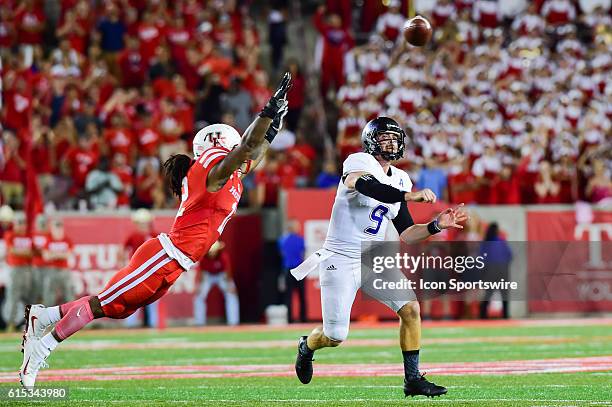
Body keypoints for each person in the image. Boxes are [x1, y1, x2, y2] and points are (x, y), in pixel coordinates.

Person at [18, 73, 293, 388]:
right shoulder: (213, 172)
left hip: (175, 263)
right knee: (101, 304)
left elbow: (252, 153)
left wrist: (272, 127)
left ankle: (44, 315)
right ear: (222, 145)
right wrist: (267, 112)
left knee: (118, 309)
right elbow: (247, 148)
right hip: (164, 255)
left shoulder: (226, 174)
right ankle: (42, 348)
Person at [292, 117, 467, 398]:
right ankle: (307, 346)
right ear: (371, 141)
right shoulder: (358, 162)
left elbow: (408, 233)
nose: (391, 142)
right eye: (385, 137)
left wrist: (436, 225)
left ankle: (412, 379)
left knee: (410, 310)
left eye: (395, 138)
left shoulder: (400, 178)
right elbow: (366, 186)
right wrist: (409, 196)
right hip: (342, 256)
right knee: (335, 336)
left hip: (374, 259)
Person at [123, 209, 159, 328]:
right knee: (134, 298)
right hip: (137, 272)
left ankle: (153, 323)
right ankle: (130, 323)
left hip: (152, 271)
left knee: (152, 298)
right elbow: (122, 250)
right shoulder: (133, 236)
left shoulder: (155, 235)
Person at [192, 241, 239, 326]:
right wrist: (198, 285)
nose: (212, 253)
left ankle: (233, 322)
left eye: (214, 251)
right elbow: (201, 272)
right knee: (199, 296)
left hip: (221, 275)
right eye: (210, 251)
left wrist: (230, 285)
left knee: (231, 294)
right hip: (208, 275)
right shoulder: (203, 257)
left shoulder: (223, 256)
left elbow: (227, 271)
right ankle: (199, 322)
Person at [3, 214, 33, 332]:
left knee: (28, 296)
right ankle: (10, 323)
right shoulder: (10, 235)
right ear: (15, 224)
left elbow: (32, 252)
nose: (21, 226)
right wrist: (25, 252)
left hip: (27, 269)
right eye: (19, 223)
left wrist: (22, 252)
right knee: (13, 296)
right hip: (15, 269)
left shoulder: (28, 236)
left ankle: (30, 324)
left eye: (23, 223)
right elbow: (12, 251)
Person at [479, 223, 512, 319]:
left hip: (490, 271)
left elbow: (481, 258)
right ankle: (505, 315)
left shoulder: (486, 242)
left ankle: (483, 315)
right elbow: (509, 255)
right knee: (504, 294)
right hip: (502, 270)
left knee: (488, 293)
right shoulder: (501, 241)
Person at [278, 220, 306, 323]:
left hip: (288, 270)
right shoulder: (300, 239)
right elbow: (303, 254)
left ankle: (289, 319)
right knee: (302, 295)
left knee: (288, 296)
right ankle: (303, 318)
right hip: (299, 269)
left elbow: (282, 254)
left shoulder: (282, 240)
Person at [42, 218, 73, 306]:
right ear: (52, 229)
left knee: (68, 293)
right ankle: (49, 316)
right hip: (52, 270)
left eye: (60, 228)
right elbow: (46, 256)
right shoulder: (49, 240)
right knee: (49, 294)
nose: (58, 230)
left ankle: (70, 315)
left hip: (64, 270)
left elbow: (68, 255)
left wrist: (54, 254)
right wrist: (61, 254)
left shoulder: (67, 240)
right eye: (56, 228)